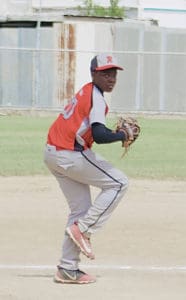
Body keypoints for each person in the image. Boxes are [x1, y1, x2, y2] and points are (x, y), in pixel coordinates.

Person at [44, 53, 129, 284]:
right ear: (94, 74)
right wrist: (122, 135)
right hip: (68, 154)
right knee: (119, 183)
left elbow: (92, 130)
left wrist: (115, 133)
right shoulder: (97, 98)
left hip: (54, 152)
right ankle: (84, 230)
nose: (111, 78)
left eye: (113, 74)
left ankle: (67, 268)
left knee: (80, 208)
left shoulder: (88, 90)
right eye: (105, 73)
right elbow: (100, 136)